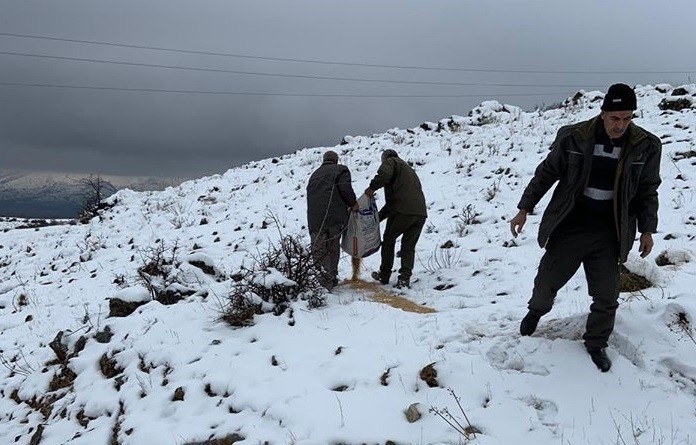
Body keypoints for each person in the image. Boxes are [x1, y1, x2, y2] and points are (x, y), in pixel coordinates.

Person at [509, 83, 661, 372]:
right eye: (615, 118)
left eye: (628, 118)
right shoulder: (574, 137)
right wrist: (524, 208)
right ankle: (535, 313)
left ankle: (596, 343)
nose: (621, 125)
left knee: (606, 296)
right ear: (603, 113)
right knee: (546, 284)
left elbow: (648, 189)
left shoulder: (646, 146)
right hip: (571, 225)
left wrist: (647, 229)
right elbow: (546, 173)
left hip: (610, 231)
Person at [365, 149, 427, 289]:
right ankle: (404, 279)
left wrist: (371, 188)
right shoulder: (407, 170)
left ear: (385, 158)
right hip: (420, 213)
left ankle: (384, 274)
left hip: (402, 211)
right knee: (408, 247)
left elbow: (384, 175)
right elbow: (393, 202)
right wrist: (377, 219)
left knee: (388, 241)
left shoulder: (391, 162)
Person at [306, 150, 358, 290]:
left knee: (318, 250)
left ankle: (321, 282)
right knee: (332, 248)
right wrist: (353, 204)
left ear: (324, 160)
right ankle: (330, 279)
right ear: (336, 160)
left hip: (315, 220)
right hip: (334, 217)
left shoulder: (314, 175)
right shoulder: (341, 170)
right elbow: (345, 188)